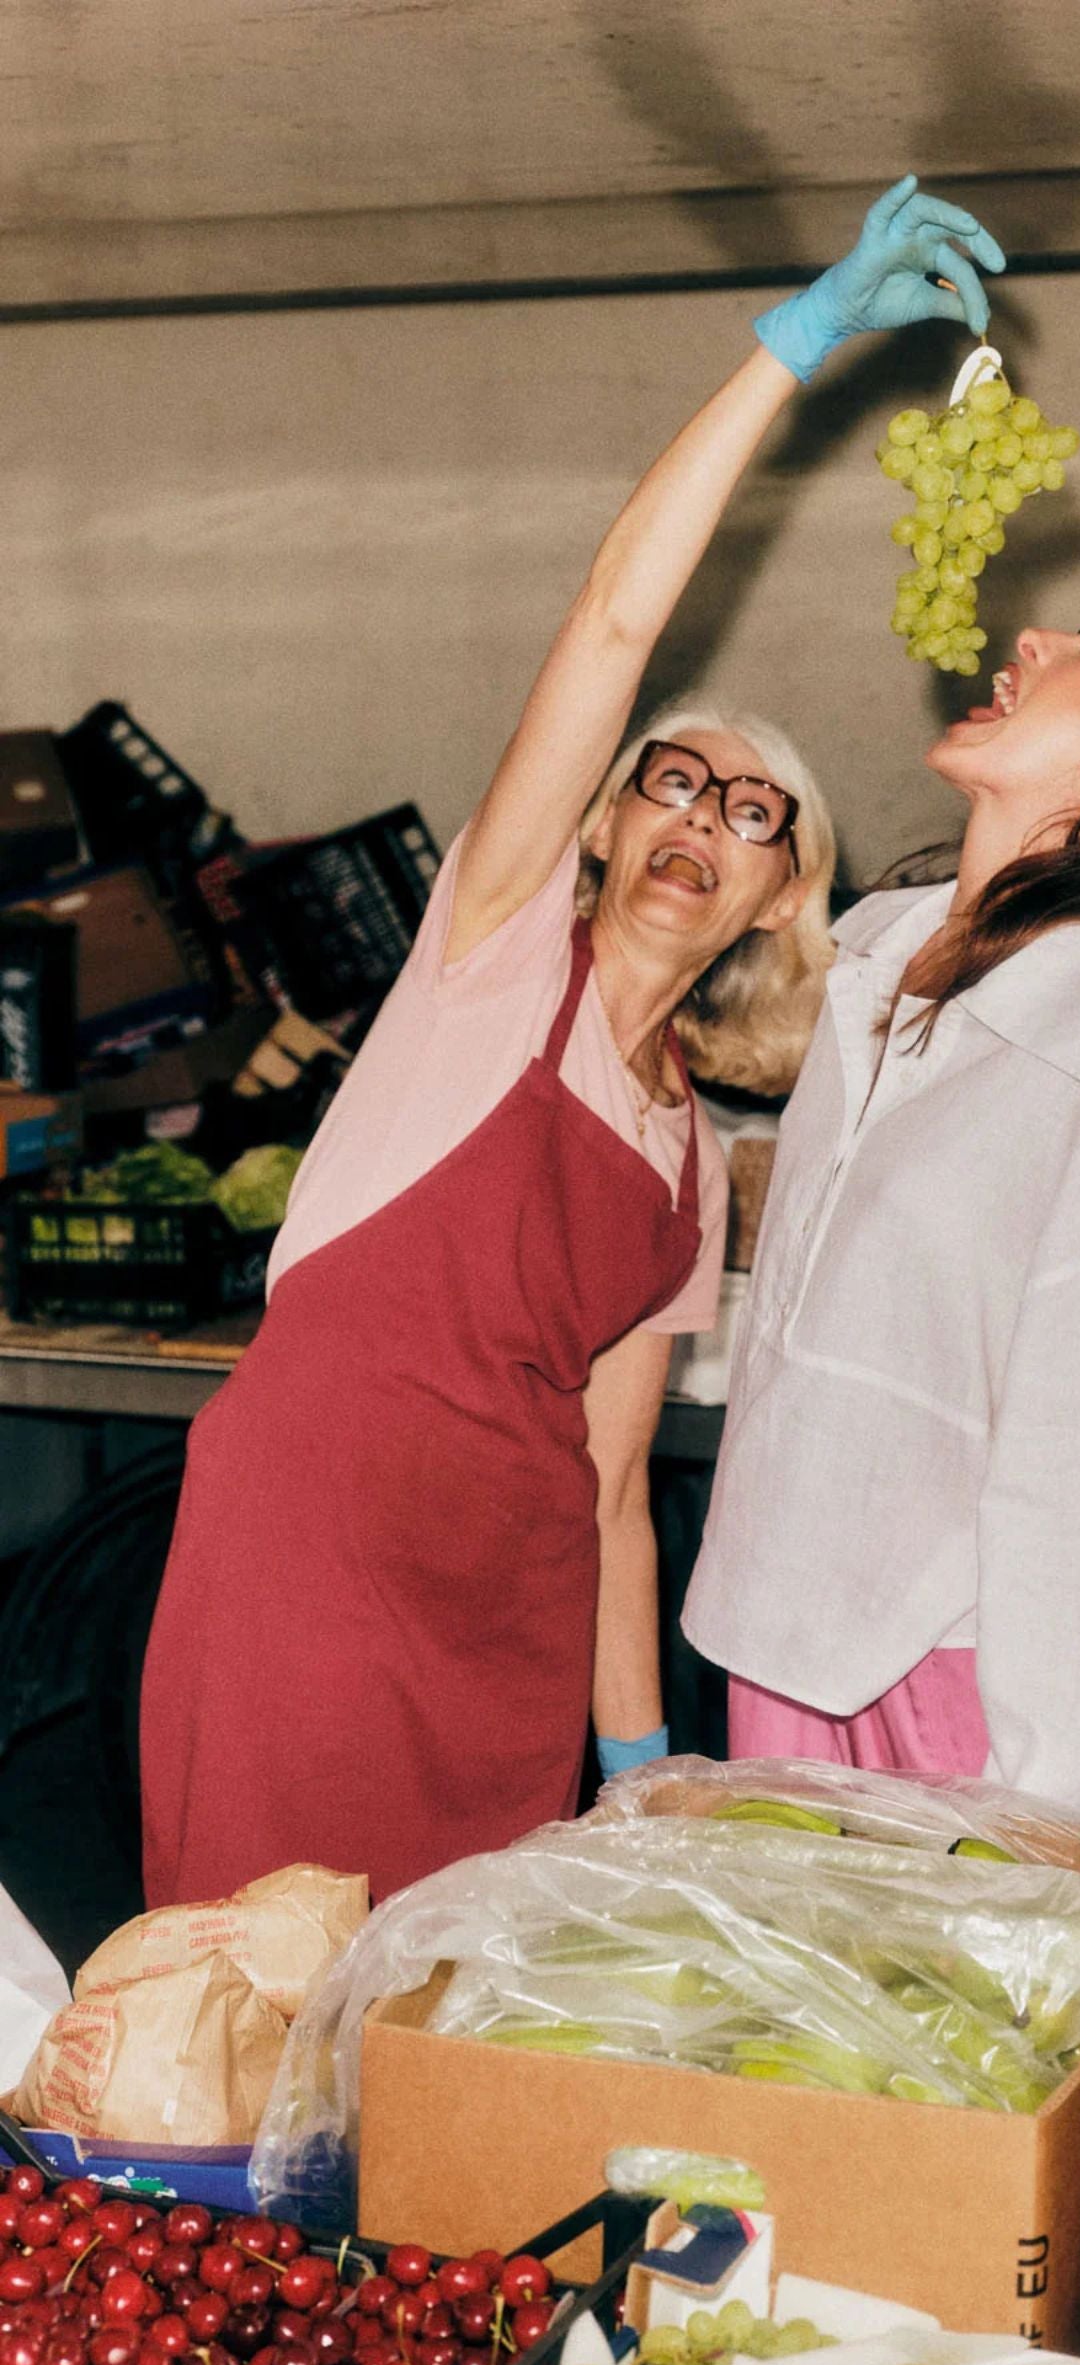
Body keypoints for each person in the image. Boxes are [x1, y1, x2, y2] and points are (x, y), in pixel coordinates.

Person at [131, 166, 1024, 1903]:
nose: (702, 811)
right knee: (255, 2021)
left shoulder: (693, 1166)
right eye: (670, 779)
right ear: (607, 828)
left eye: (756, 811)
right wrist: (790, 357)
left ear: (785, 896)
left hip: (511, 1634)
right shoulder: (485, 958)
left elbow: (615, 1487)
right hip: (305, 1569)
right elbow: (617, 619)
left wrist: (631, 1762)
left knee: (458, 2072)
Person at [682, 608, 1080, 1799]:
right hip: (771, 1626)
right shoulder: (878, 967)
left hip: (933, 1671)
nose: (1030, 637)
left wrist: (1075, 1813)